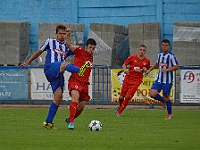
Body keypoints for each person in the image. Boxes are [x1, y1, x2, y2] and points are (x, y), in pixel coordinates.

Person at [20, 24, 90, 129]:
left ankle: (48, 122)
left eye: (63, 34)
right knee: (65, 64)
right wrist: (28, 62)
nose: (62, 35)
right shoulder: (50, 41)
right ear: (56, 34)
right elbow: (39, 52)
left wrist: (87, 53)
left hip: (59, 73)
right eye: (60, 33)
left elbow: (76, 51)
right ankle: (80, 71)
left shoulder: (66, 46)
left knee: (58, 97)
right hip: (50, 68)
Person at [65, 28, 96, 130]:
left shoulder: (91, 57)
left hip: (84, 84)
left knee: (81, 106)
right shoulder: (79, 51)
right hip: (75, 80)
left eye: (93, 48)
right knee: (75, 99)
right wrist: (68, 35)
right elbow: (69, 45)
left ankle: (70, 118)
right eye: (90, 48)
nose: (91, 50)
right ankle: (71, 123)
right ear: (86, 47)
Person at [146, 39, 179, 120]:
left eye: (166, 45)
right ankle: (162, 100)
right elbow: (157, 63)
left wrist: (167, 70)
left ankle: (169, 114)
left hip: (167, 81)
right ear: (161, 46)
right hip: (159, 79)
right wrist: (149, 70)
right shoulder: (160, 55)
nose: (165, 47)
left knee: (166, 96)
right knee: (152, 93)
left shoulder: (171, 56)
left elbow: (176, 66)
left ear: (169, 46)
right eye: (163, 45)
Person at [115, 45, 150, 117]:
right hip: (128, 79)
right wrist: (125, 70)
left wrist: (145, 70)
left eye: (143, 50)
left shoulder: (147, 61)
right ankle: (119, 105)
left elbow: (147, 71)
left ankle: (119, 112)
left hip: (136, 81)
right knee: (121, 96)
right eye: (141, 50)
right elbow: (124, 64)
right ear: (138, 50)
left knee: (128, 97)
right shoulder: (132, 57)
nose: (142, 51)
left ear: (145, 52)